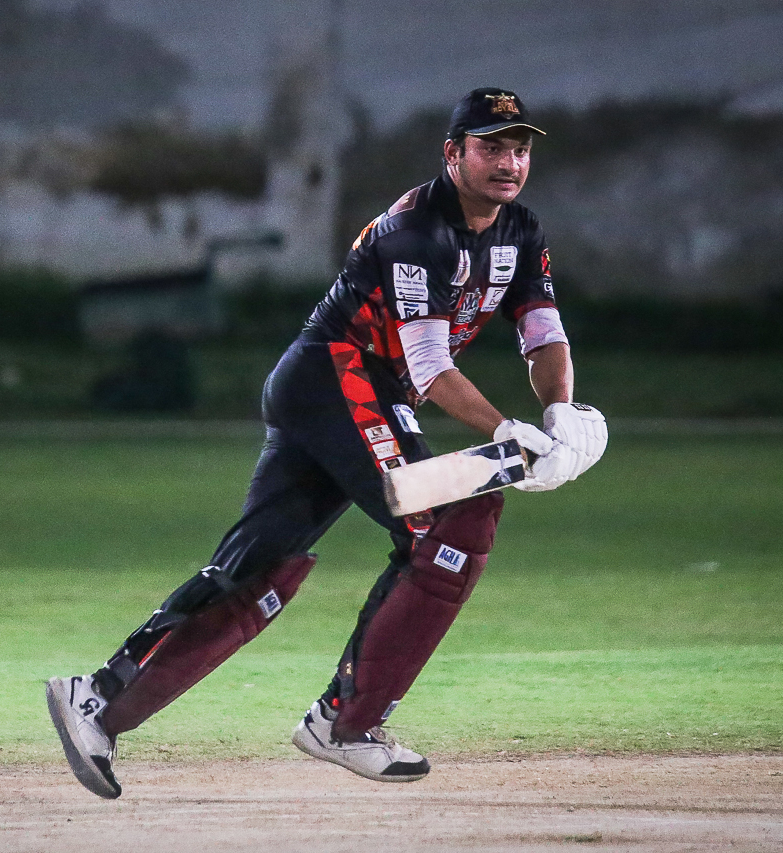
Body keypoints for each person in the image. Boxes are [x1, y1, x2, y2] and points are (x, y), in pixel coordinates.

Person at [47, 88, 608, 798]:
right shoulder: (416, 232)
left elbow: (543, 331)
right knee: (452, 520)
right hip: (338, 380)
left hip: (342, 395)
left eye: (519, 149)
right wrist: (506, 434)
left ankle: (97, 701)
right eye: (490, 146)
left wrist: (557, 412)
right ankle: (346, 723)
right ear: (453, 153)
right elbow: (429, 366)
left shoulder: (520, 229)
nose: (509, 162)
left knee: (257, 572)